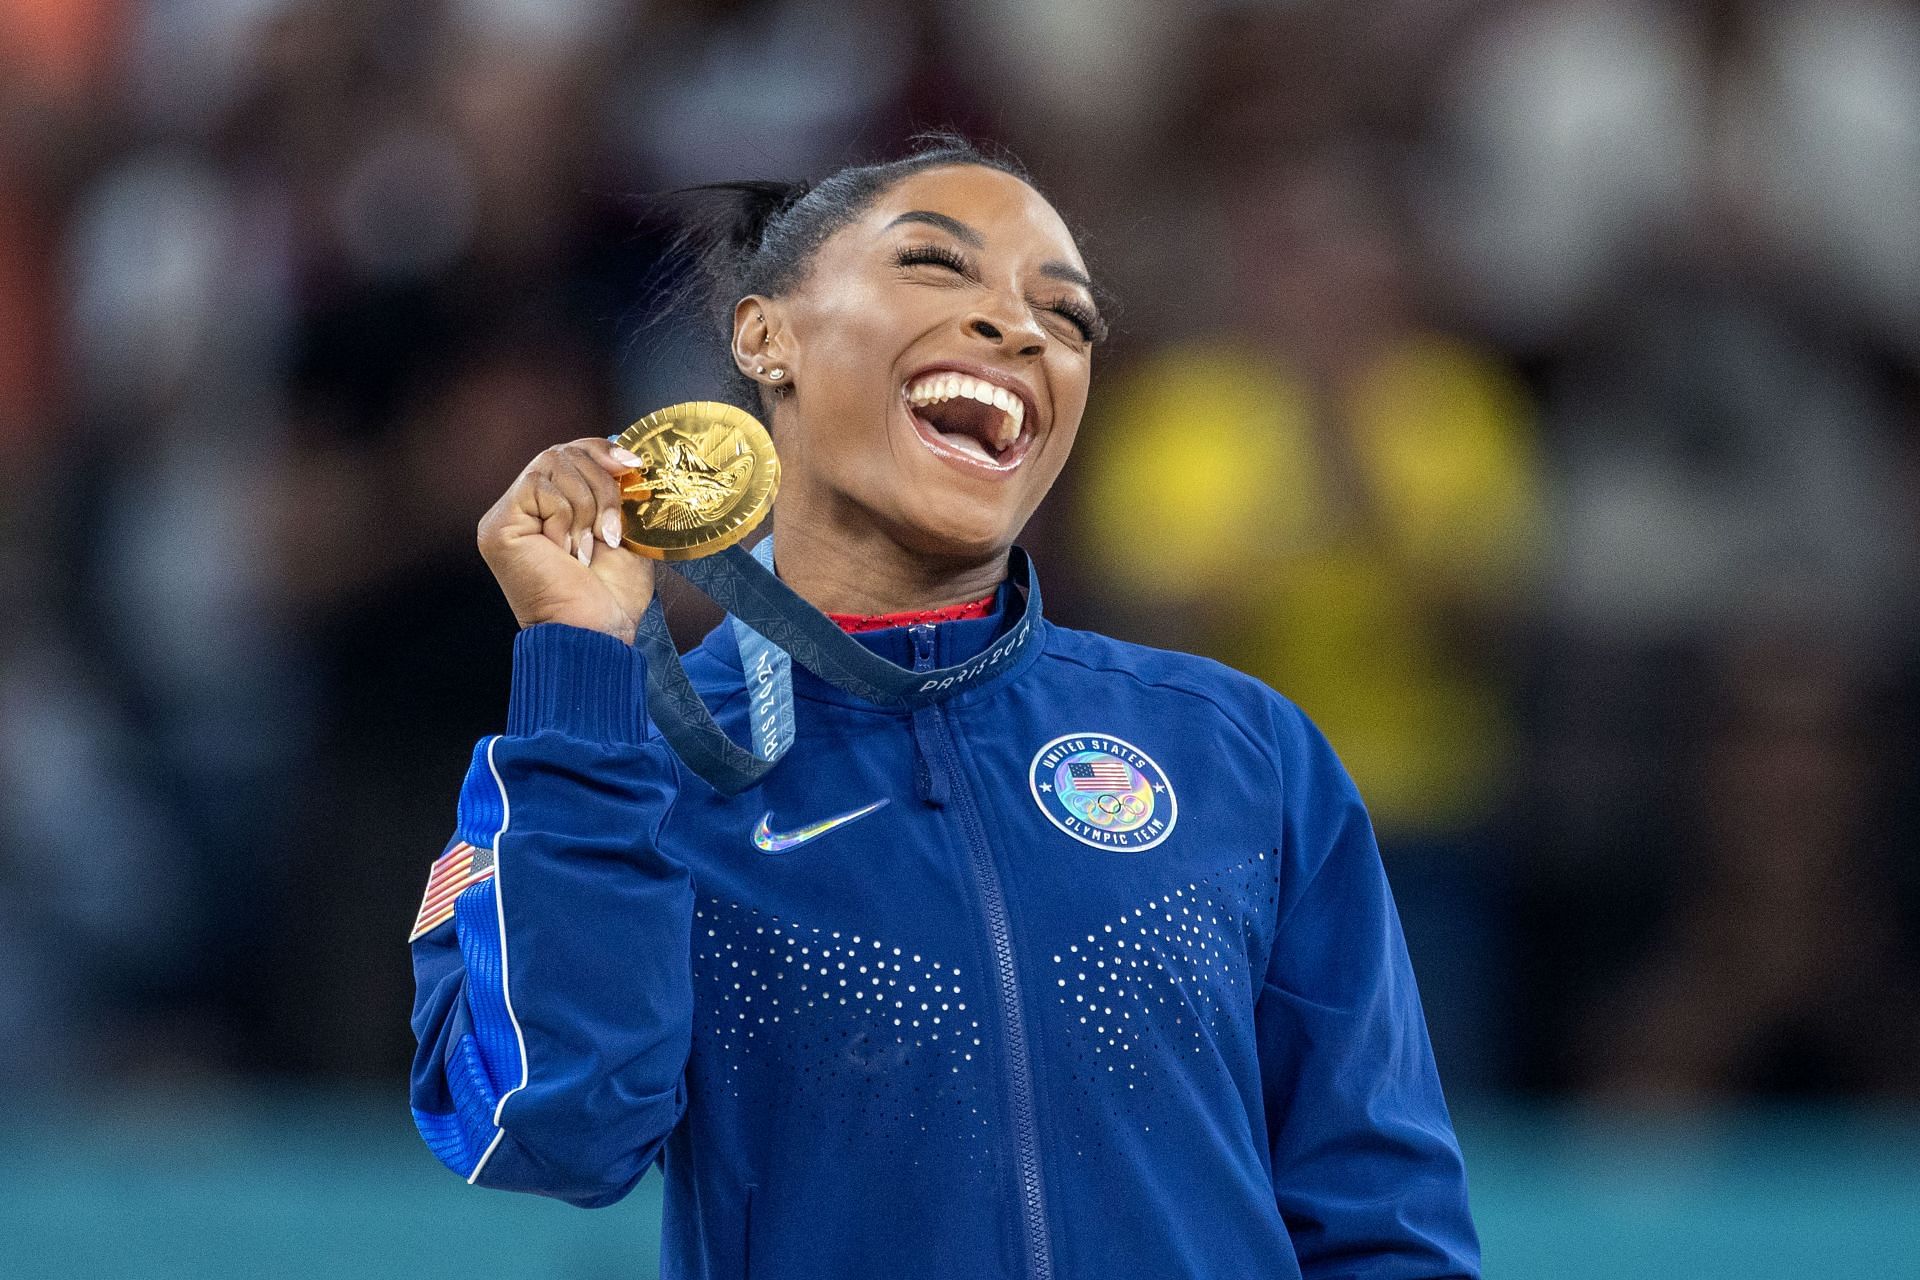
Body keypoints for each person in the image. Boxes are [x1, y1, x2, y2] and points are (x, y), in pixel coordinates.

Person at [406, 136, 1480, 1280]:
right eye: (935, 264)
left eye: (1064, 318)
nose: (1020, 328)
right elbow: (549, 1128)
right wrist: (581, 659)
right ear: (765, 333)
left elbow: (1383, 1215)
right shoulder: (623, 760)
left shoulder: (1238, 750)